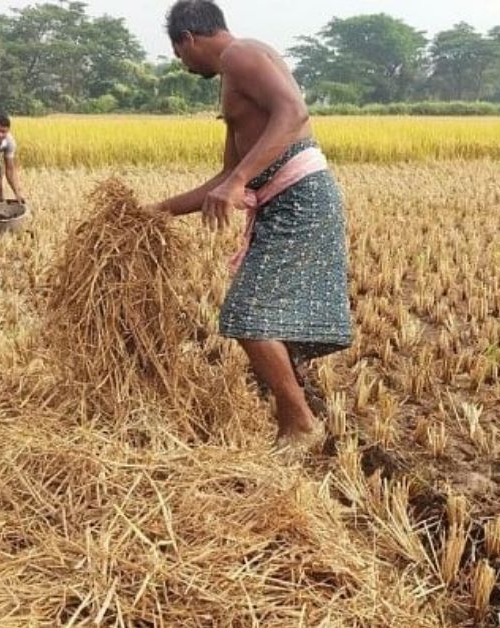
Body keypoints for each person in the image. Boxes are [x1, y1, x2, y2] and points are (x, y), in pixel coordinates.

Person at [150, 0, 353, 451]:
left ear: (189, 38)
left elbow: (294, 114)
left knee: (247, 314)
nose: (182, 65)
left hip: (300, 199)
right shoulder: (231, 79)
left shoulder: (241, 54)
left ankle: (299, 422)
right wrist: (156, 211)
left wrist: (240, 180)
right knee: (262, 315)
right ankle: (296, 407)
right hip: (283, 204)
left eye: (179, 54)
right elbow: (224, 179)